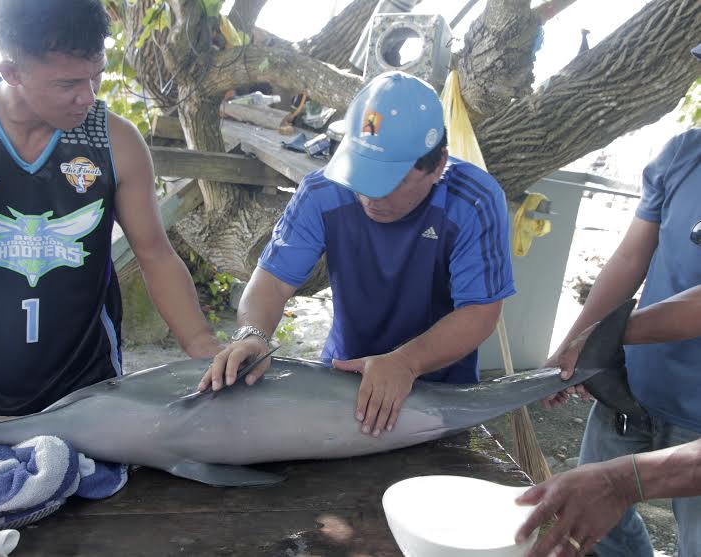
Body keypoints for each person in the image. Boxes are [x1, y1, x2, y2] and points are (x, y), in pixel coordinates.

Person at [0, 0, 221, 464]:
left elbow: (155, 255)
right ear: (12, 71)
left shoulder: (115, 140)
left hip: (91, 389)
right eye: (67, 83)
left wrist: (202, 346)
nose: (88, 96)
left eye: (97, 75)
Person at [200, 71, 516, 437]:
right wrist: (252, 334)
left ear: (438, 166)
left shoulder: (474, 201)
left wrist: (405, 363)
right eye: (362, 174)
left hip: (438, 391)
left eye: (390, 181)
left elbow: (480, 312)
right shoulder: (323, 191)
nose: (370, 196)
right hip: (342, 380)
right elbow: (270, 280)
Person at [531, 42, 701, 557]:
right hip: (632, 388)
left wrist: (607, 336)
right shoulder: (682, 154)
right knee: (596, 525)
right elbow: (629, 261)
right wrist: (576, 345)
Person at [515, 285, 701, 557]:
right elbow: (630, 258)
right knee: (600, 531)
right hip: (636, 386)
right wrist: (593, 342)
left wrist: (621, 482)